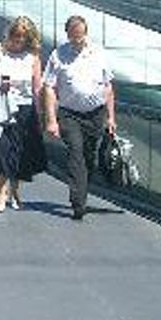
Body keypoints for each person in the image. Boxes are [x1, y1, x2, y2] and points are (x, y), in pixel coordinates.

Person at [41, 15, 116, 220]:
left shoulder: (99, 53)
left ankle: (81, 191)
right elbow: (49, 88)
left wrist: (111, 117)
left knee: (89, 157)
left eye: (81, 37)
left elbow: (108, 87)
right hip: (69, 114)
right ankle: (78, 202)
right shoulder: (59, 55)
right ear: (68, 35)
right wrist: (51, 120)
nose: (78, 42)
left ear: (86, 34)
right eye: (74, 38)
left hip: (95, 114)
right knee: (76, 152)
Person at [0, 17, 47, 212]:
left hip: (24, 109)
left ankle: (15, 190)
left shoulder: (32, 57)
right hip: (0, 108)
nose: (18, 41)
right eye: (16, 36)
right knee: (0, 150)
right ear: (10, 35)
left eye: (23, 38)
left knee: (19, 152)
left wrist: (42, 113)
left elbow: (37, 86)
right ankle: (1, 192)